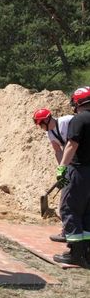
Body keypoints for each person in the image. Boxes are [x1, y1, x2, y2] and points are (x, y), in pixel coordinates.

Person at [53, 86, 90, 268]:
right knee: (87, 212)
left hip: (79, 171)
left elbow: (71, 145)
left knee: (69, 209)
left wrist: (62, 169)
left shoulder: (79, 119)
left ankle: (75, 253)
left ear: (77, 103)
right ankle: (87, 252)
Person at [33, 108, 73, 242]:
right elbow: (58, 151)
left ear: (46, 120)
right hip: (72, 163)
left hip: (81, 162)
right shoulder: (50, 133)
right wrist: (62, 169)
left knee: (70, 200)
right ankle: (67, 230)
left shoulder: (66, 121)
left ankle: (69, 231)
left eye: (40, 124)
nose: (40, 127)